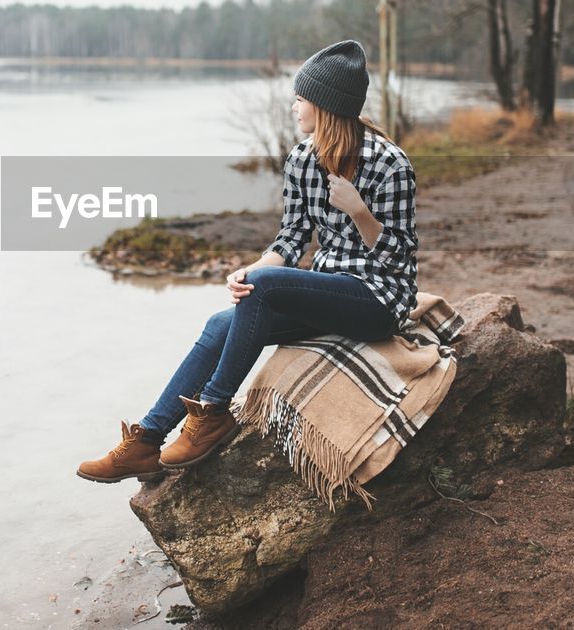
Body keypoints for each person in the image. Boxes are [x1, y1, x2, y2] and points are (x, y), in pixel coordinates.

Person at [76, 39, 418, 484]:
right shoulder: (301, 159)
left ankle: (214, 412)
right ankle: (147, 441)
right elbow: (292, 238)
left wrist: (359, 211)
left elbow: (402, 256)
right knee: (223, 322)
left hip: (377, 300)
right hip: (328, 290)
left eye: (301, 98)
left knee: (271, 286)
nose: (294, 106)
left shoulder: (390, 164)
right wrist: (252, 270)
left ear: (325, 105)